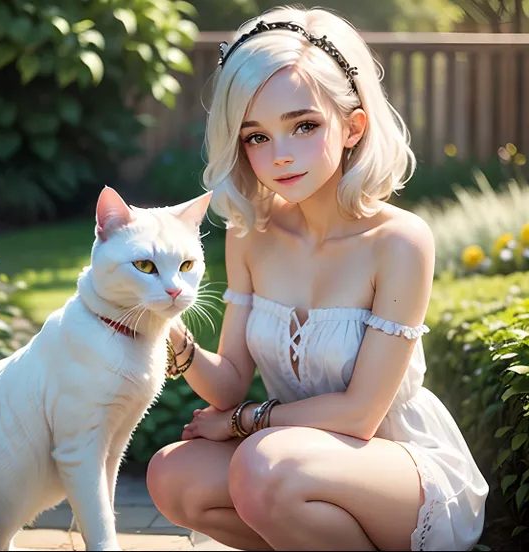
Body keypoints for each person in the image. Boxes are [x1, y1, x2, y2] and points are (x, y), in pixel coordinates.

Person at [145, 5, 489, 551]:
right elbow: (231, 377)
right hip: (286, 458)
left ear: (353, 126)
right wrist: (168, 334)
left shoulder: (400, 242)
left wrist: (241, 422)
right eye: (256, 137)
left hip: (396, 466)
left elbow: (359, 415)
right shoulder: (250, 233)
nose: (280, 156)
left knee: (263, 465)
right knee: (171, 474)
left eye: (304, 126)